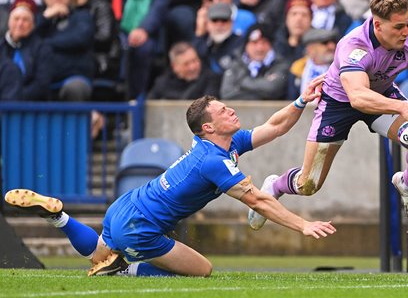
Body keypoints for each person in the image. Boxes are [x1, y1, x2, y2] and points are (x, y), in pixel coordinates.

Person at [4, 76, 336, 277]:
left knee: (98, 253)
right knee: (203, 270)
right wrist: (303, 224)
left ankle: (60, 217)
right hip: (140, 226)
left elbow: (274, 127)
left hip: (125, 207)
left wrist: (300, 101)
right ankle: (126, 269)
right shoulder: (213, 161)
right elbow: (259, 200)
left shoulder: (221, 143)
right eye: (223, 111)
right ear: (208, 127)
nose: (230, 111)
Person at [247, 0, 408, 254]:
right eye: (398, 27)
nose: (406, 32)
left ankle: (407, 183)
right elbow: (357, 97)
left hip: (381, 97)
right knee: (308, 184)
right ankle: (274, 185)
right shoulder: (354, 45)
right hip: (340, 103)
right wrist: (404, 107)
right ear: (377, 25)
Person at [0, 0, 52, 100]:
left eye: (25, 20)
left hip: (30, 106)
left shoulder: (42, 48)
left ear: (33, 24)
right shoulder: (1, 46)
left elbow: (42, 83)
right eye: (16, 19)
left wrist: (15, 96)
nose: (20, 24)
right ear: (9, 22)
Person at [220, 23, 289, 100]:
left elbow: (272, 89)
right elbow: (227, 94)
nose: (259, 48)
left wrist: (242, 82)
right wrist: (262, 94)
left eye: (264, 42)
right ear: (246, 45)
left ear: (271, 45)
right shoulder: (235, 64)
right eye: (254, 42)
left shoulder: (280, 64)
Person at [147, 41, 221, 100]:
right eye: (186, 64)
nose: (192, 67)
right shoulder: (162, 83)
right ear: (174, 66)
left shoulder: (211, 78)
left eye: (195, 61)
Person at [287, 27, 338, 100]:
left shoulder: (339, 67)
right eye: (325, 43)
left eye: (333, 42)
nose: (332, 46)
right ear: (310, 48)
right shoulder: (298, 68)